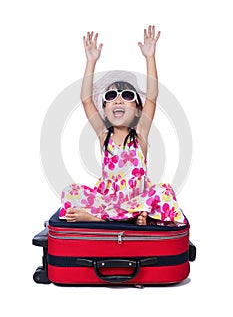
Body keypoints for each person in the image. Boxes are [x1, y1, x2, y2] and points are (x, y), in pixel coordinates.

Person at [59, 25, 187, 226]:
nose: (118, 100)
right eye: (111, 96)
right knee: (70, 192)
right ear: (105, 109)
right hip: (108, 202)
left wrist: (150, 57)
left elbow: (152, 97)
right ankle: (125, 218)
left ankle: (112, 218)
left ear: (137, 109)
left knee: (165, 191)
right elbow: (86, 100)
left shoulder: (140, 134)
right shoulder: (104, 135)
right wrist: (91, 61)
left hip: (136, 201)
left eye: (127, 96)